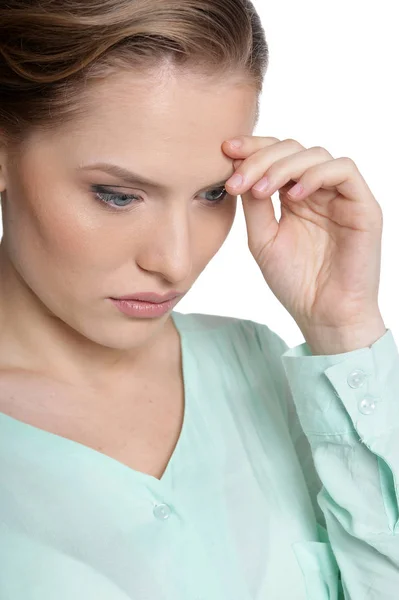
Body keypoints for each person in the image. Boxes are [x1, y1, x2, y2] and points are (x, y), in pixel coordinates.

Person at [0, 0, 398, 598]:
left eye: (213, 194)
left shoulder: (271, 370)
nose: (176, 261)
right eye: (117, 195)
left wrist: (344, 329)